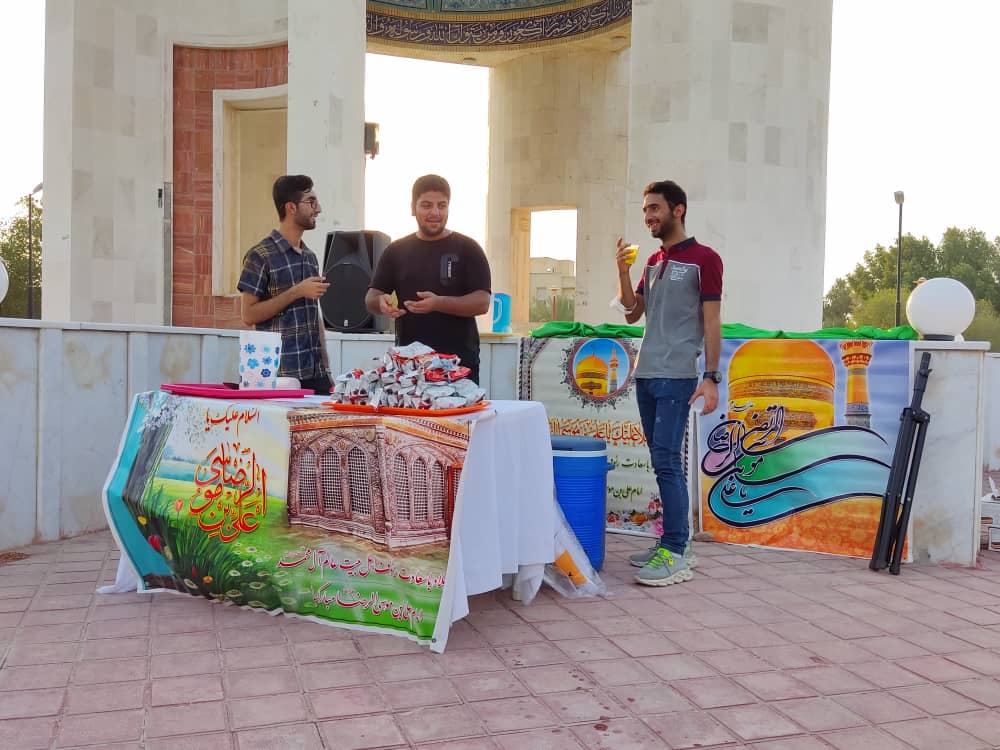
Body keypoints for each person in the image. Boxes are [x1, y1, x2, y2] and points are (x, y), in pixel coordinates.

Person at [615, 180, 724, 586]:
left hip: (677, 376)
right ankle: (672, 542)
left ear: (678, 210)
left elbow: (712, 322)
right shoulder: (652, 261)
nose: (648, 216)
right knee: (661, 461)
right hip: (645, 373)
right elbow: (632, 313)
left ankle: (676, 551)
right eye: (645, 209)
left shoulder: (704, 259)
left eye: (655, 208)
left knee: (667, 461)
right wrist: (623, 272)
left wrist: (710, 377)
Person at [366, 174, 492, 383]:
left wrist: (438, 303)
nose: (435, 212)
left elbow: (482, 302)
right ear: (413, 208)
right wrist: (380, 302)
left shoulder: (468, 248)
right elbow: (371, 297)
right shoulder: (396, 251)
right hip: (410, 370)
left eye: (442, 205)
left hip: (459, 369)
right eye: (426, 205)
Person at [238, 174, 332, 394]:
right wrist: (297, 291)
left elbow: (313, 316)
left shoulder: (309, 257)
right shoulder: (260, 255)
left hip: (315, 374)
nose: (318, 209)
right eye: (311, 202)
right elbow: (248, 315)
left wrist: (326, 368)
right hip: (278, 377)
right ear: (291, 208)